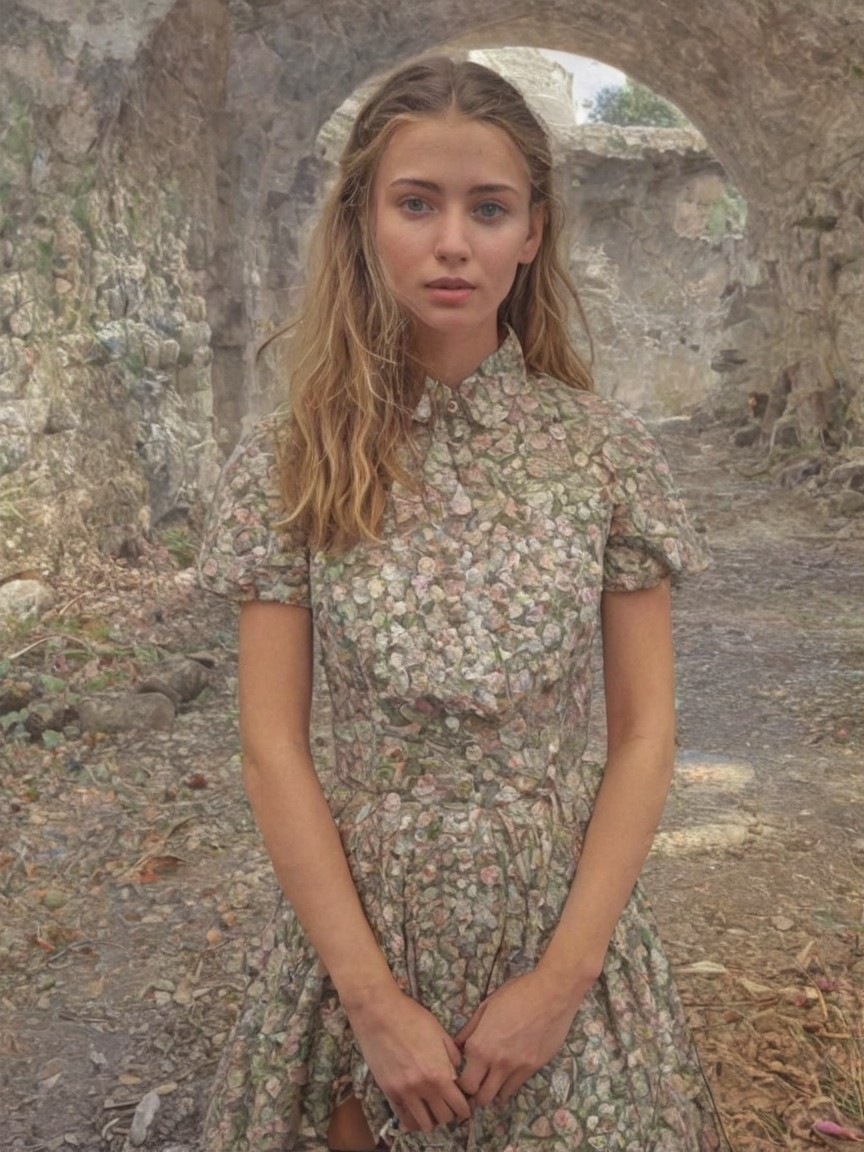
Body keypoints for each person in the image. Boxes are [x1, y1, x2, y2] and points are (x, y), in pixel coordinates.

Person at [198, 55, 727, 1152]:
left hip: (560, 913)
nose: (453, 242)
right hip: (361, 921)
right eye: (416, 203)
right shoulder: (290, 460)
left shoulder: (602, 455)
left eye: (488, 209)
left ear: (532, 232)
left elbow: (644, 735)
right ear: (363, 221)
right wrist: (371, 1004)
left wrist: (561, 981)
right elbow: (270, 747)